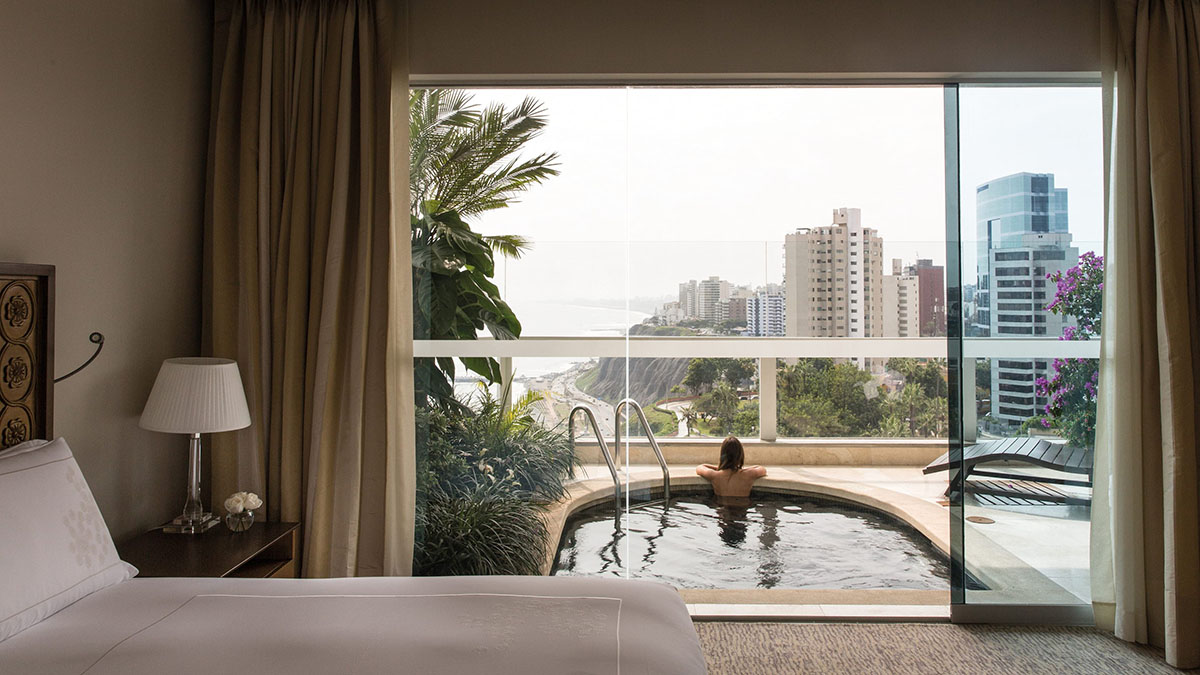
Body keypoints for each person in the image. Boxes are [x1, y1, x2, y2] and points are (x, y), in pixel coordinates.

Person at [696, 436, 766, 499]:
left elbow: (700, 467)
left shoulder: (714, 475)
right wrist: (742, 470)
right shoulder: (749, 474)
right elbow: (762, 469)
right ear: (740, 455)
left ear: (722, 455)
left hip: (722, 510)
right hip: (741, 510)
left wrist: (720, 467)